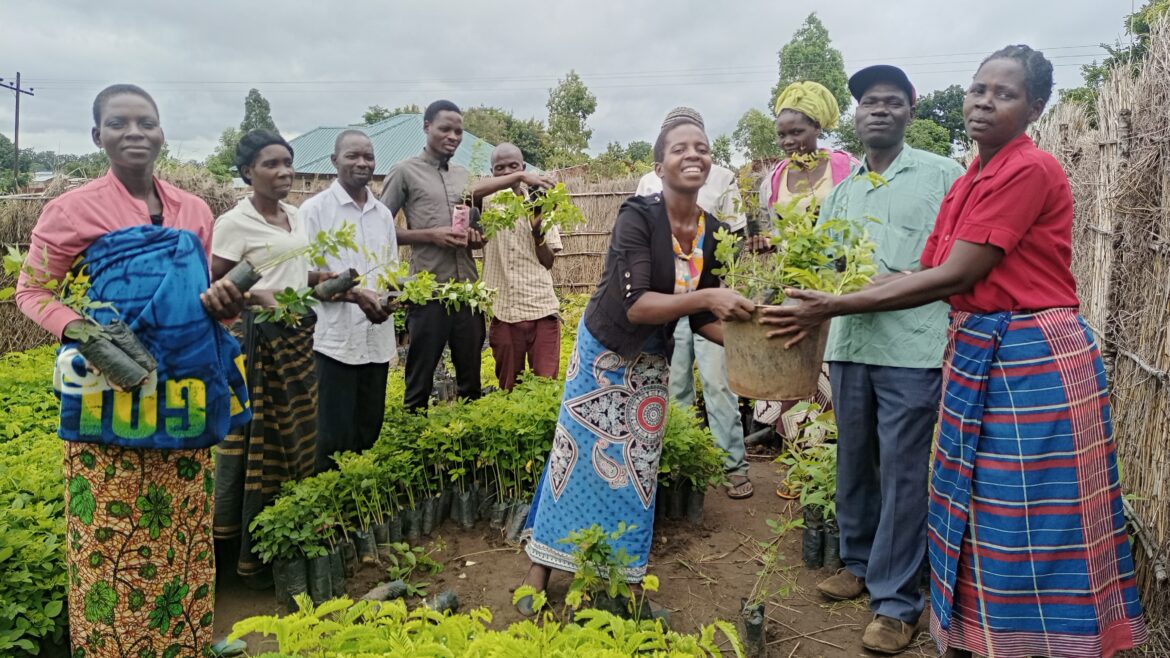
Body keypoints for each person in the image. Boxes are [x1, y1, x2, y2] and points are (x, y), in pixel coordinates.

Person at [760, 46, 1148, 658]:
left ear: (1035, 107)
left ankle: (1041, 635)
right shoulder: (972, 177)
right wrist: (824, 298)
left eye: (1004, 93)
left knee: (1029, 509)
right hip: (979, 350)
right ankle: (990, 631)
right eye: (977, 89)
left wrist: (832, 305)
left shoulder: (1025, 169)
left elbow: (956, 274)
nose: (984, 102)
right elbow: (925, 265)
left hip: (1029, 354)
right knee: (981, 498)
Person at [16, 84, 250, 658]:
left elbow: (193, 295)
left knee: (184, 535)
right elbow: (32, 291)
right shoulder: (71, 209)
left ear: (162, 131)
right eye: (118, 124)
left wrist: (226, 302)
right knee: (111, 533)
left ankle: (183, 643)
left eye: (146, 122)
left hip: (184, 392)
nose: (135, 133)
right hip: (110, 389)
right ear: (97, 136)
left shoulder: (194, 211)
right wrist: (88, 336)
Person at [517, 115, 755, 615]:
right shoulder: (638, 216)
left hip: (651, 361)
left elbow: (705, 317)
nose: (693, 155)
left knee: (636, 466)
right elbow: (637, 306)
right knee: (573, 456)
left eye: (702, 147)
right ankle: (540, 568)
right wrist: (710, 295)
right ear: (659, 165)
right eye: (679, 149)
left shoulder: (711, 230)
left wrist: (753, 342)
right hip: (605, 352)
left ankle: (623, 579)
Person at [805, 65, 964, 655]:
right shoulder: (842, 193)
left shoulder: (943, 174)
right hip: (850, 345)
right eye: (869, 102)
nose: (879, 110)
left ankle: (898, 604)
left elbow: (955, 258)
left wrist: (896, 278)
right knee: (854, 458)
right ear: (856, 114)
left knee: (900, 470)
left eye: (891, 102)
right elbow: (817, 267)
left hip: (912, 346)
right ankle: (858, 561)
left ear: (910, 109)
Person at [211, 129, 329, 585]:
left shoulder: (296, 216)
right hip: (257, 346)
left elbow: (296, 271)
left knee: (297, 440)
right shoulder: (234, 223)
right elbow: (217, 290)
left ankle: (286, 546)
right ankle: (242, 560)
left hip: (298, 341)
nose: (284, 172)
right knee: (254, 444)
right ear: (247, 172)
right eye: (271, 164)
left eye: (288, 162)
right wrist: (262, 298)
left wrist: (327, 278)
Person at [635, 106, 753, 498]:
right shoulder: (646, 184)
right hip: (663, 307)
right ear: (662, 153)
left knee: (720, 385)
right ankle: (686, 467)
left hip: (709, 301)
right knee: (676, 385)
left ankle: (733, 465)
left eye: (698, 142)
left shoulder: (722, 179)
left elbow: (734, 237)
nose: (689, 153)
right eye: (676, 141)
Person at [751, 81, 857, 444]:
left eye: (797, 132)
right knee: (796, 364)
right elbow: (772, 231)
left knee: (834, 367)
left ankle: (828, 452)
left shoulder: (847, 169)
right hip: (793, 284)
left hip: (842, 286)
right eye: (782, 135)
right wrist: (766, 242)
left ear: (817, 128)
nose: (788, 141)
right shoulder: (774, 180)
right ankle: (796, 450)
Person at [300, 129, 399, 471]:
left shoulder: (382, 214)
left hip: (376, 342)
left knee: (368, 432)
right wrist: (355, 296)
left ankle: (359, 515)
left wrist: (393, 300)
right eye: (352, 156)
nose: (362, 163)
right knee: (330, 438)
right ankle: (330, 515)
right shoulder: (314, 211)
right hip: (334, 342)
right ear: (334, 161)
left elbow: (390, 274)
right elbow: (301, 280)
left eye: (368, 157)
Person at [379, 100, 487, 413]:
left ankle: (471, 445)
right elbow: (379, 230)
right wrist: (430, 235)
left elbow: (477, 232)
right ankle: (416, 446)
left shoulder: (464, 176)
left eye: (459, 131)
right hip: (427, 291)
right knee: (419, 382)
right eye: (445, 129)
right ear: (426, 126)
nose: (453, 136)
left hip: (467, 291)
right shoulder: (404, 172)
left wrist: (476, 237)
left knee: (471, 381)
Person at [480, 142, 561, 390]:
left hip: (541, 308)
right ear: (491, 172)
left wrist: (538, 233)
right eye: (500, 168)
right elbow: (468, 192)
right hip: (505, 310)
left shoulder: (540, 203)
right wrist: (519, 177)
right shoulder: (484, 204)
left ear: (524, 166)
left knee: (544, 389)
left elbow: (548, 262)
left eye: (513, 167)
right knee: (508, 387)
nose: (507, 173)